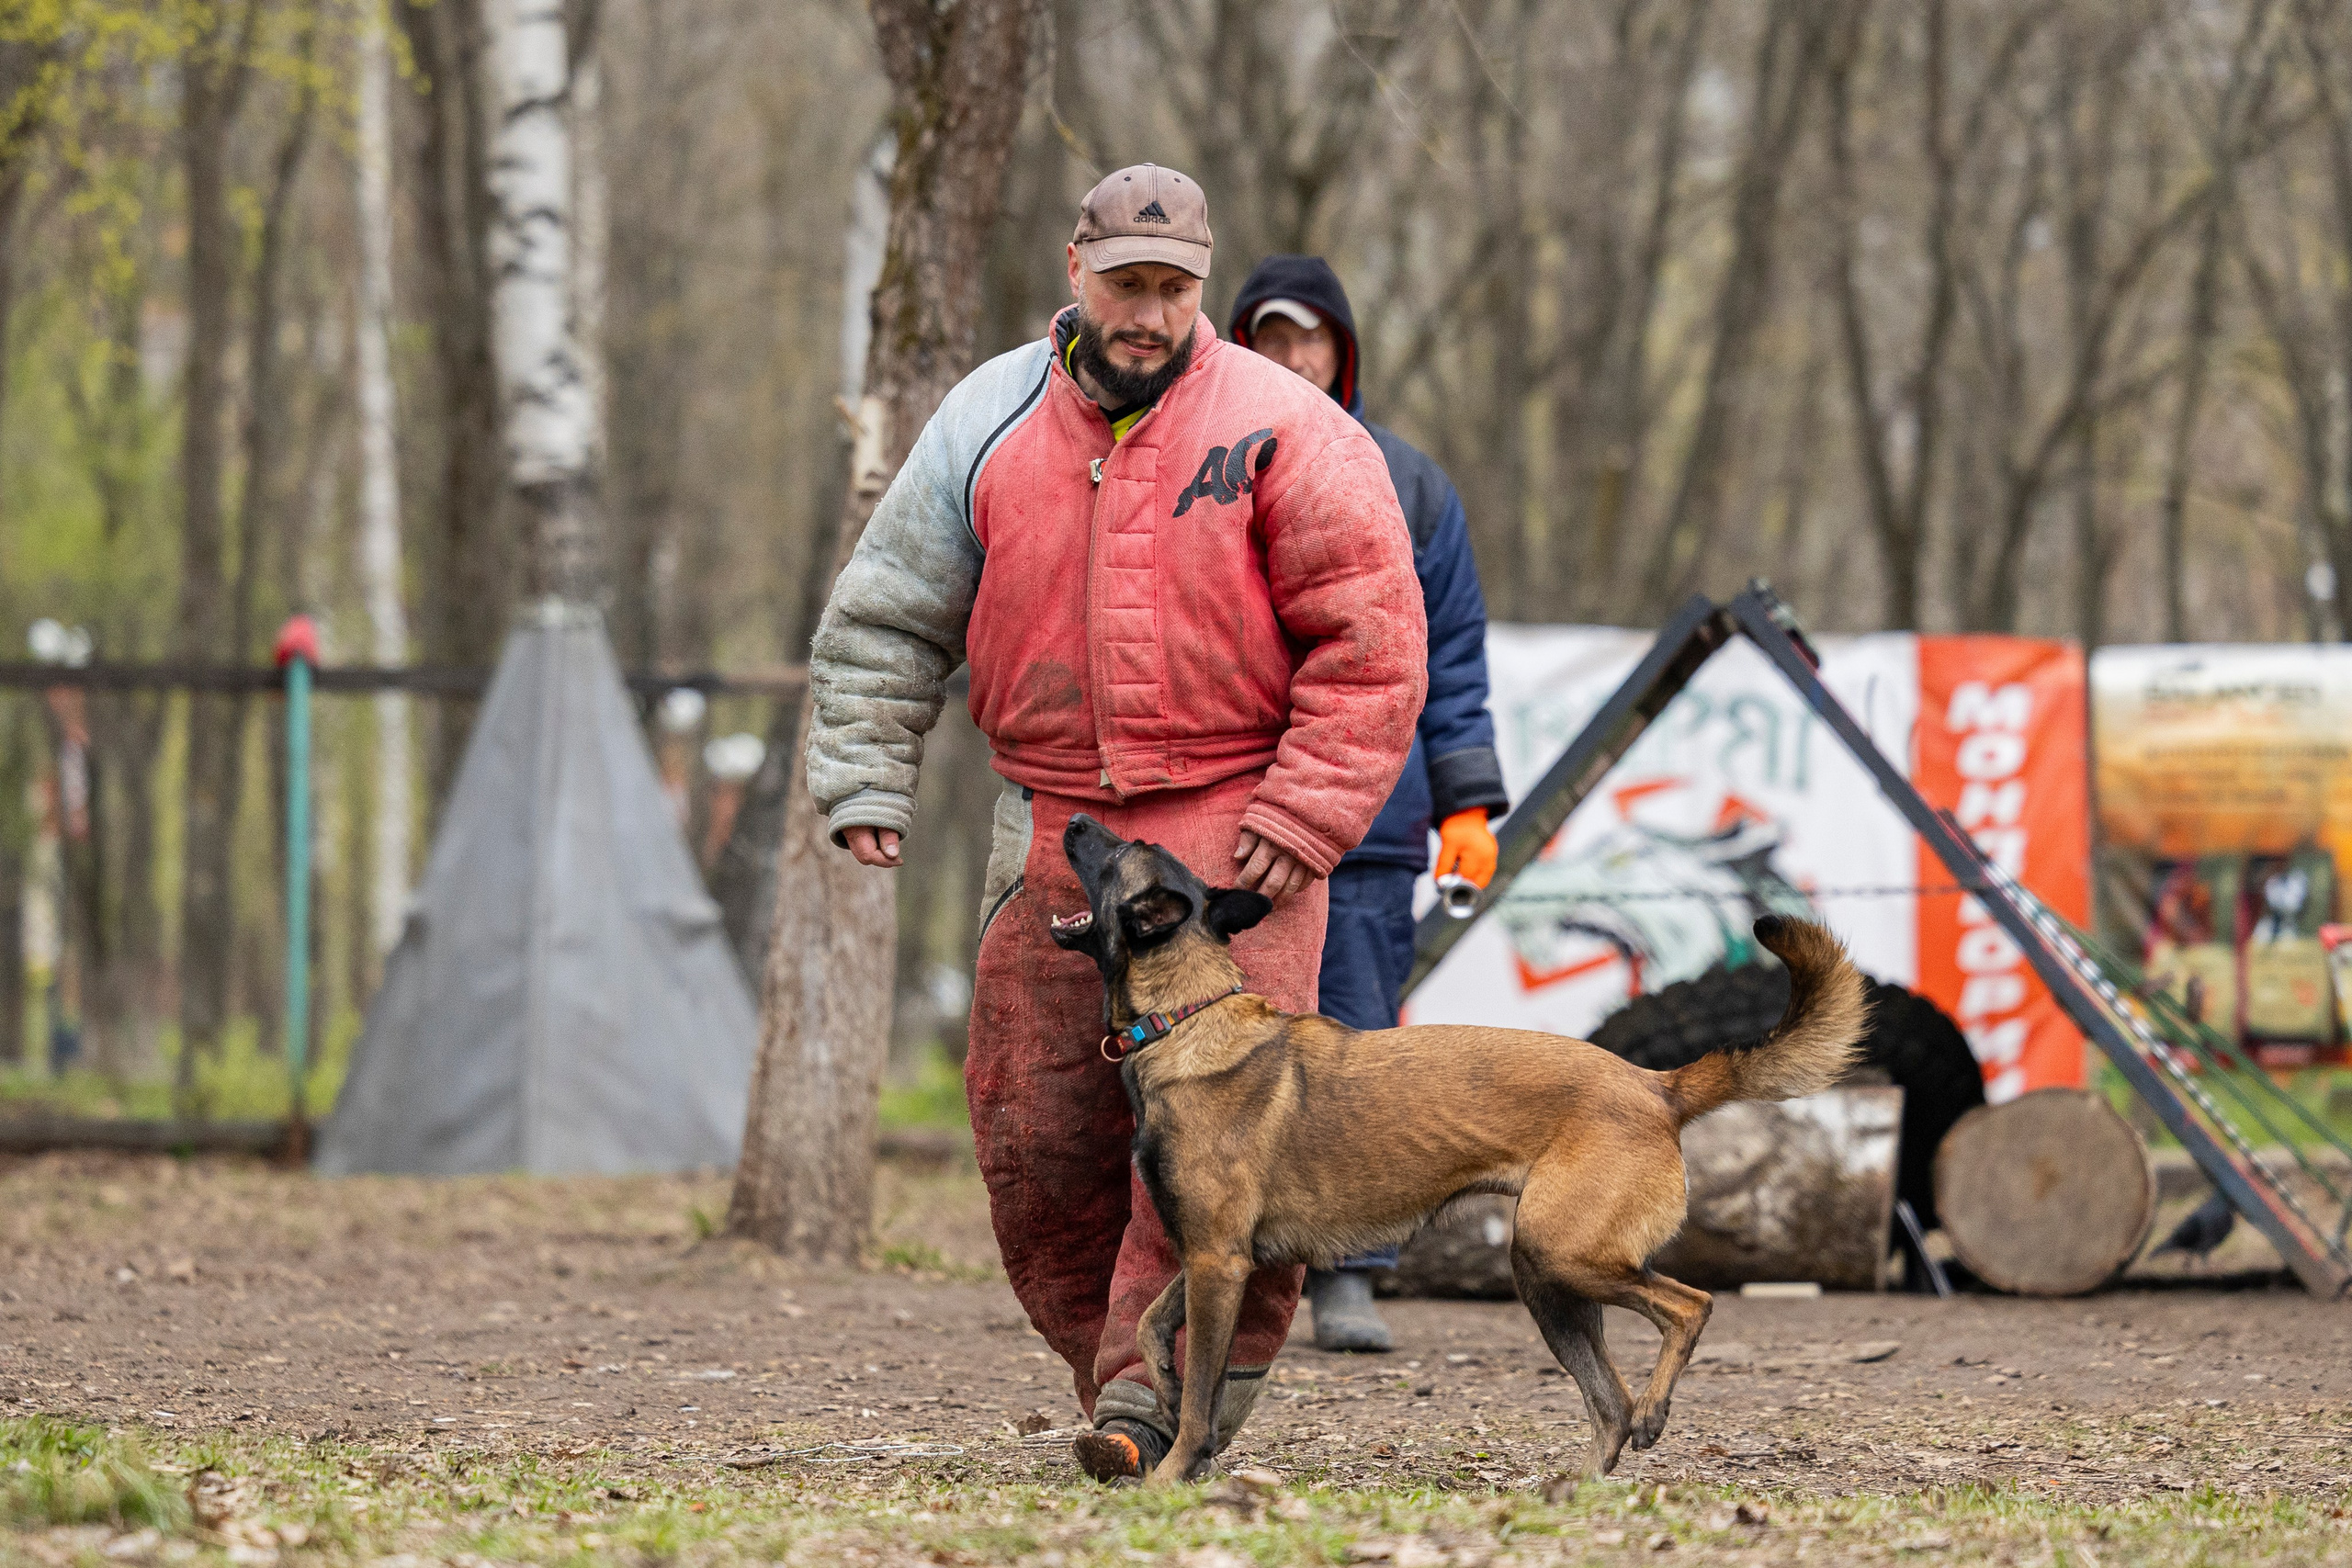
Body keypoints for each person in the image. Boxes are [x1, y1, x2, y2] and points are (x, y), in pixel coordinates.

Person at [803, 167, 1429, 1480]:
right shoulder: (985, 415)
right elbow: (889, 613)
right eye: (1128, 283)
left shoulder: (1286, 426)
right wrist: (866, 775)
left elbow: (1372, 639)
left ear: (1204, 284)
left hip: (1237, 825)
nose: (1149, 313)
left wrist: (1309, 805)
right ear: (1076, 268)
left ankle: (1164, 1402)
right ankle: (1113, 1376)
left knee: (1223, 1151)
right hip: (1051, 818)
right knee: (1039, 1134)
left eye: (1176, 288)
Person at [1229, 255, 1510, 1354]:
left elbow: (1453, 657)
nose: (1291, 359)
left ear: (1343, 351)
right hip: (1235, 811)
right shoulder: (1206, 468)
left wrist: (1464, 804)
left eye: (1311, 338)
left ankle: (1349, 1276)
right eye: (1270, 336)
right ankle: (1206, 1265)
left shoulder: (1412, 481)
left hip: (1372, 827)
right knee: (1217, 1047)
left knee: (1355, 1052)